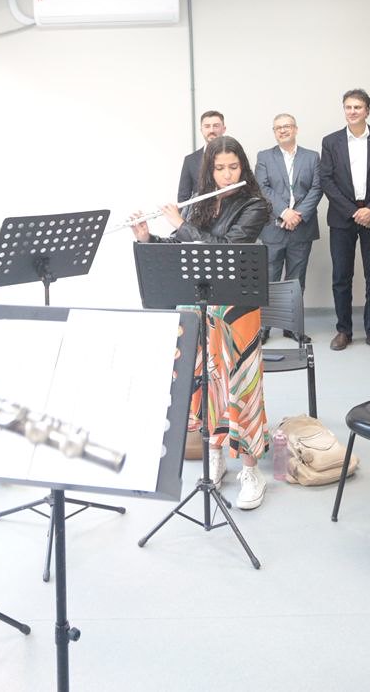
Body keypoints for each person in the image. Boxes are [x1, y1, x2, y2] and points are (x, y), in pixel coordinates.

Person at [133, 135, 272, 511]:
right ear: (209, 171)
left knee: (241, 388)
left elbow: (225, 249)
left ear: (243, 167)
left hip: (237, 310)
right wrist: (149, 238)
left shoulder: (255, 205)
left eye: (234, 167)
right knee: (206, 385)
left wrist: (180, 224)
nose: (227, 175)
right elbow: (185, 250)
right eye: (220, 168)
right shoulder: (202, 204)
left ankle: (251, 470)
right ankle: (215, 456)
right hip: (200, 307)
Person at [318, 89, 370, 353]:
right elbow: (326, 180)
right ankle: (344, 331)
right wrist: (354, 211)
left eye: (358, 107)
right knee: (341, 277)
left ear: (367, 111)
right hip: (343, 217)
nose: (352, 112)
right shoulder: (331, 141)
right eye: (348, 107)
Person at [254, 113, 321, 290]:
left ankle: (293, 311)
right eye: (278, 128)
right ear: (274, 132)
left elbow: (317, 188)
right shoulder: (264, 157)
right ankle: (272, 312)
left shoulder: (312, 157)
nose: (282, 130)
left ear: (296, 129)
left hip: (302, 228)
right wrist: (284, 212)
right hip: (273, 228)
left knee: (296, 283)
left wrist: (297, 216)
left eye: (287, 126)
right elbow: (261, 187)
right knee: (270, 282)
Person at [178, 109, 226, 202]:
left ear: (224, 129)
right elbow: (183, 198)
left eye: (216, 126)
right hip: (201, 211)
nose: (211, 130)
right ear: (201, 130)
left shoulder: (236, 156)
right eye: (207, 126)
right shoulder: (190, 160)